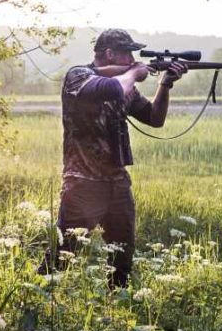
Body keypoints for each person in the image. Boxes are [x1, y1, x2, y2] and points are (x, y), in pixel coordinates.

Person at [42, 28, 186, 287]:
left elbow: (155, 119)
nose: (132, 59)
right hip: (82, 183)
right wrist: (134, 73)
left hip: (117, 183)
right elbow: (112, 88)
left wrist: (165, 84)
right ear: (109, 53)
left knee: (121, 257)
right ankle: (38, 301)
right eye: (127, 54)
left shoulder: (125, 84)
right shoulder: (79, 76)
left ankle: (116, 306)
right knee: (61, 256)